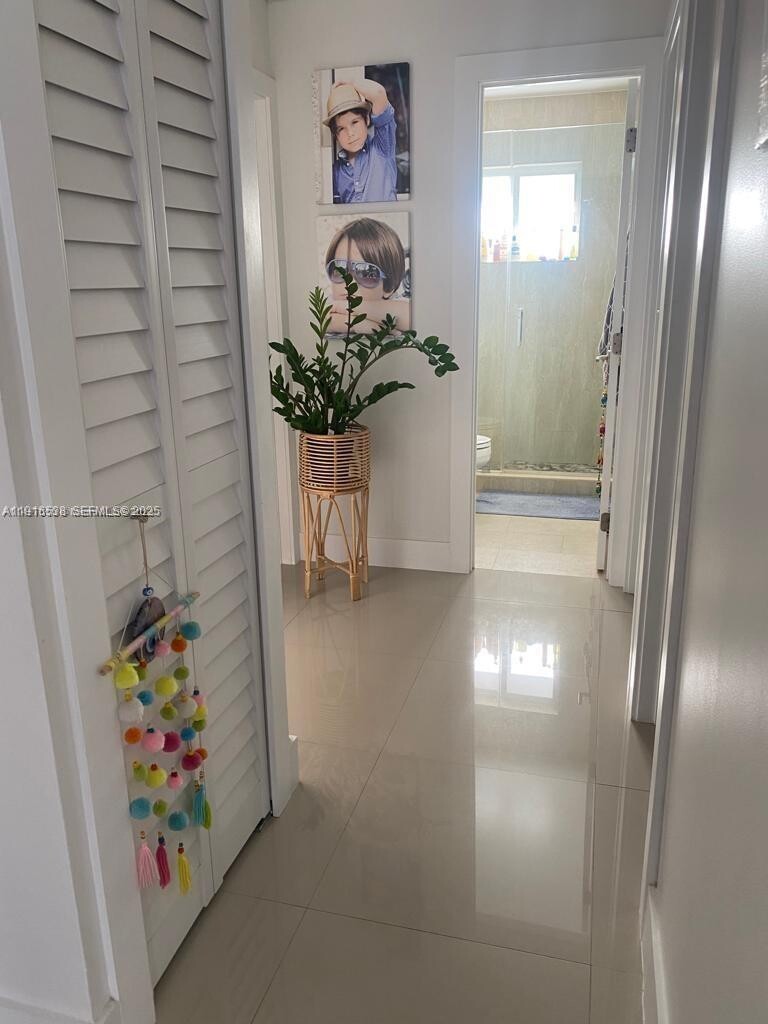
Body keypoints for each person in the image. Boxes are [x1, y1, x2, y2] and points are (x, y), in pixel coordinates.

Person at [324, 217, 410, 333]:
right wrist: (362, 325)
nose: (349, 281)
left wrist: (345, 307)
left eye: (365, 272)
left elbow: (409, 316)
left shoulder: (397, 304)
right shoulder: (328, 302)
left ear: (389, 287)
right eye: (340, 270)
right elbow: (322, 320)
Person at [323, 79, 398, 204]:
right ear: (336, 135)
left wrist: (350, 84)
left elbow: (378, 93)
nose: (350, 133)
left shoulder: (382, 148)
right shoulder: (336, 173)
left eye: (355, 122)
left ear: (367, 119)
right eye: (341, 129)